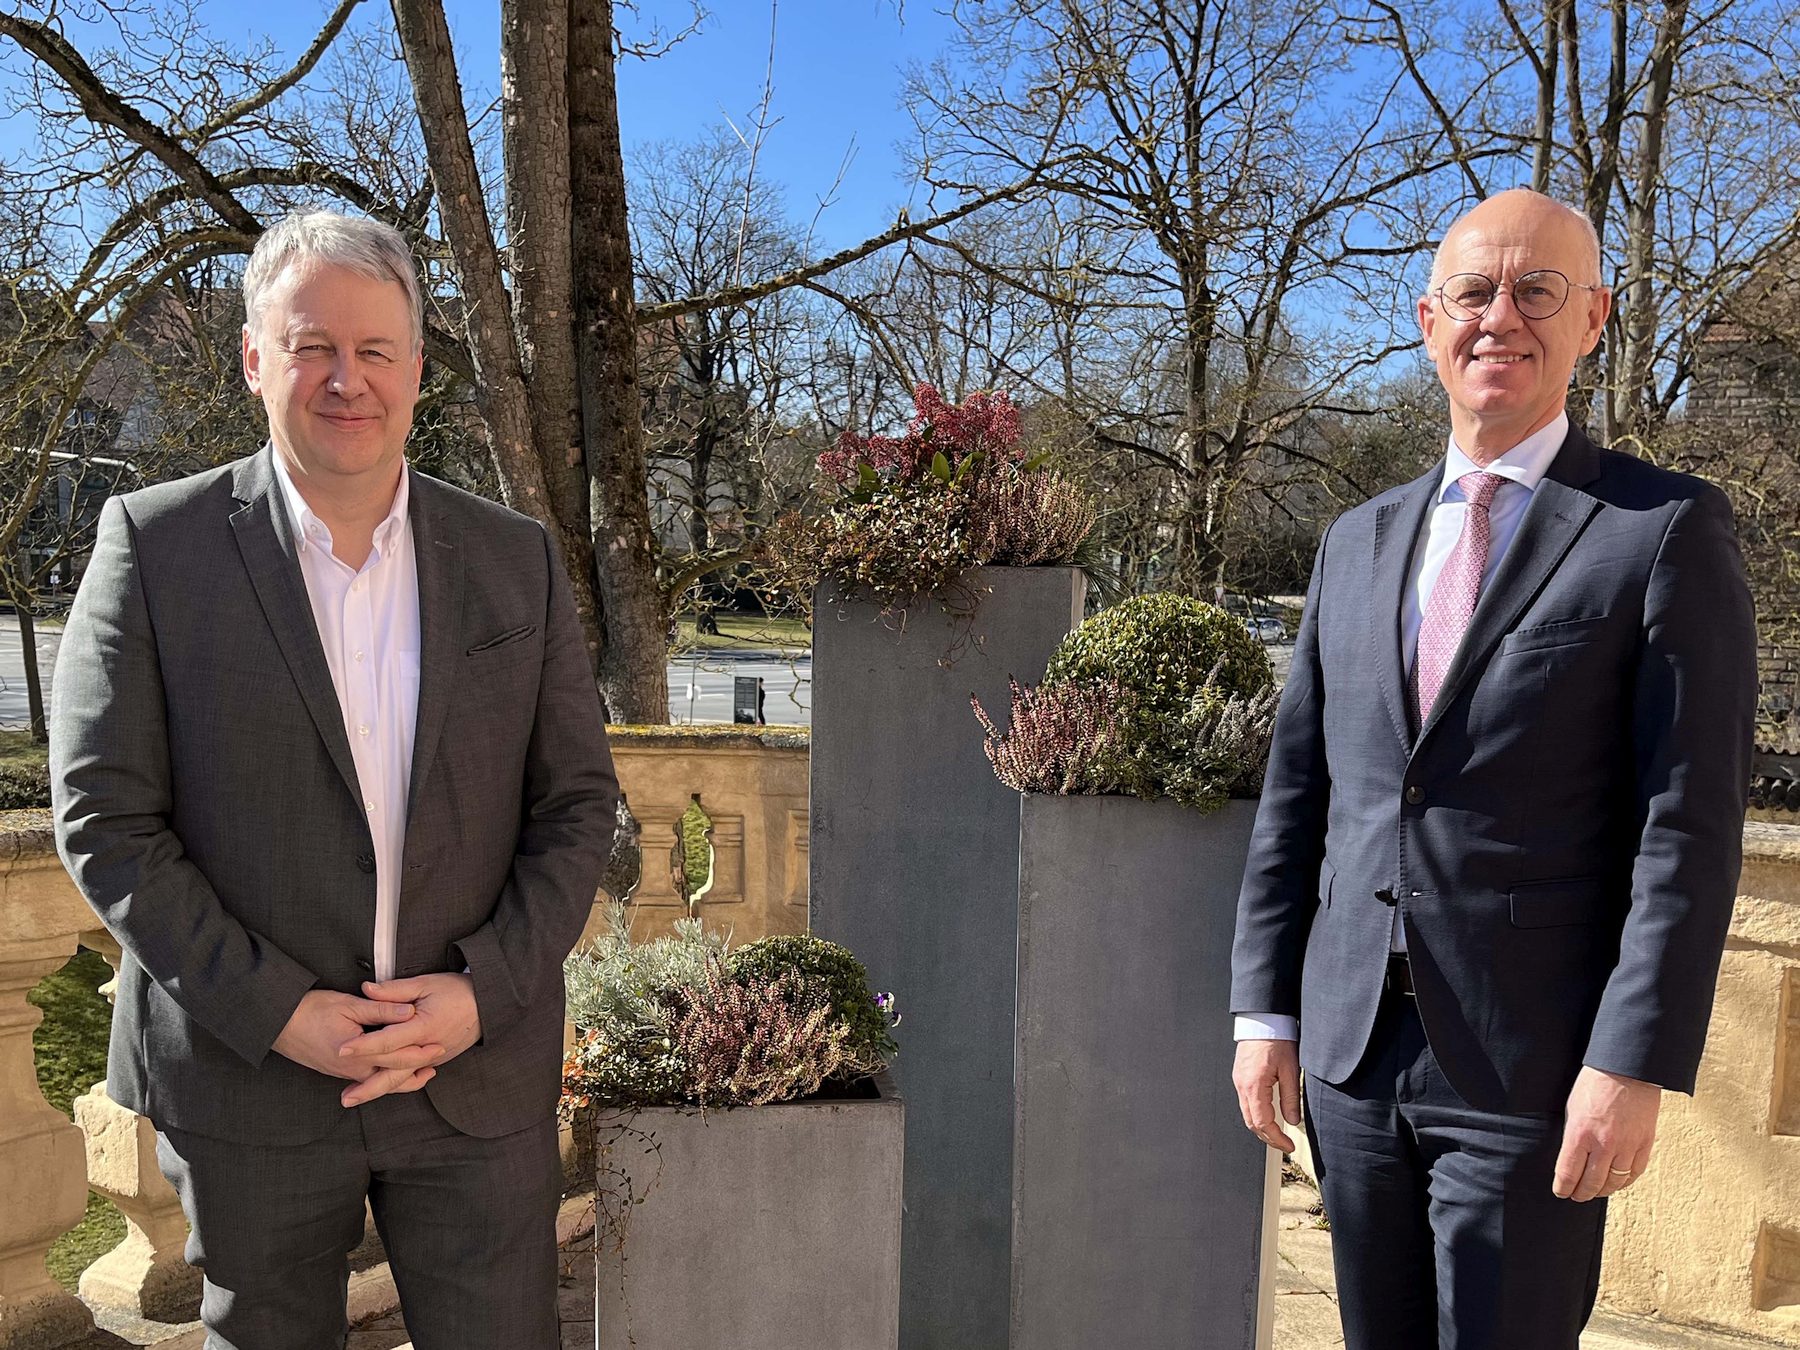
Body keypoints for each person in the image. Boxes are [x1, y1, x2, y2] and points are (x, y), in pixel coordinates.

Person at [51, 209, 619, 1349]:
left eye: (374, 350)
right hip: (249, 1078)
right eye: (313, 346)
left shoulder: (517, 559)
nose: (345, 379)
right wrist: (283, 1014)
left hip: (473, 1072)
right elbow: (107, 820)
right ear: (256, 358)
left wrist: (481, 992)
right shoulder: (153, 548)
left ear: (416, 368)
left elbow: (575, 809)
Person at [1228, 188, 1756, 1349]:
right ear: (1429, 320)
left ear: (1594, 319)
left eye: (1537, 291)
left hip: (1531, 1065)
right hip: (1353, 1053)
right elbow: (1300, 795)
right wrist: (1262, 1010)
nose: (1499, 318)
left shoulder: (1660, 530)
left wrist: (1633, 1062)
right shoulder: (1354, 542)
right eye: (1473, 291)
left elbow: (1689, 826)